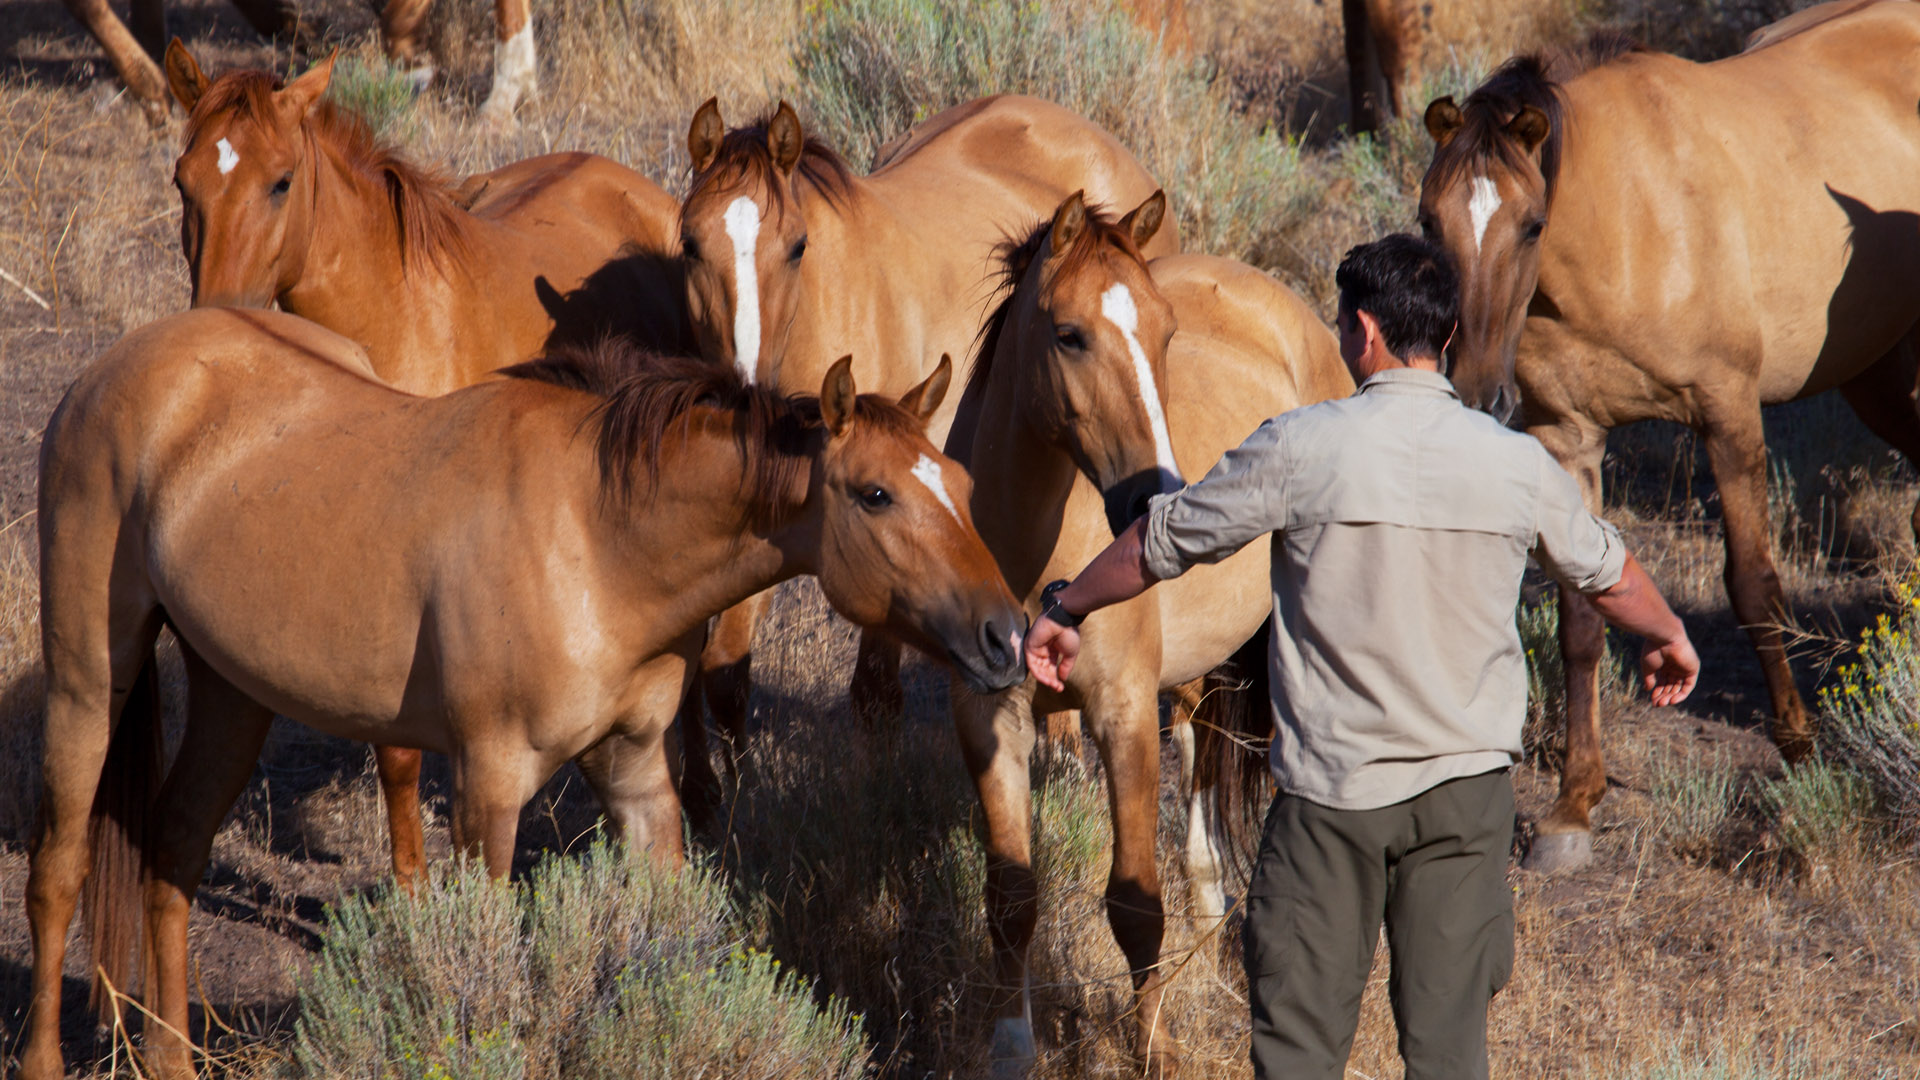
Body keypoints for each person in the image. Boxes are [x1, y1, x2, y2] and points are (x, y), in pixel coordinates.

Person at [1021, 233, 1699, 1079]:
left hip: (1331, 803)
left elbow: (1166, 539)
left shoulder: (1301, 446)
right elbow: (1609, 572)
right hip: (1465, 799)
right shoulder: (1515, 464)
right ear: (1447, 340)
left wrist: (1069, 603)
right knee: (1450, 1055)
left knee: (1300, 1053)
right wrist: (1668, 632)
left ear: (1361, 334)